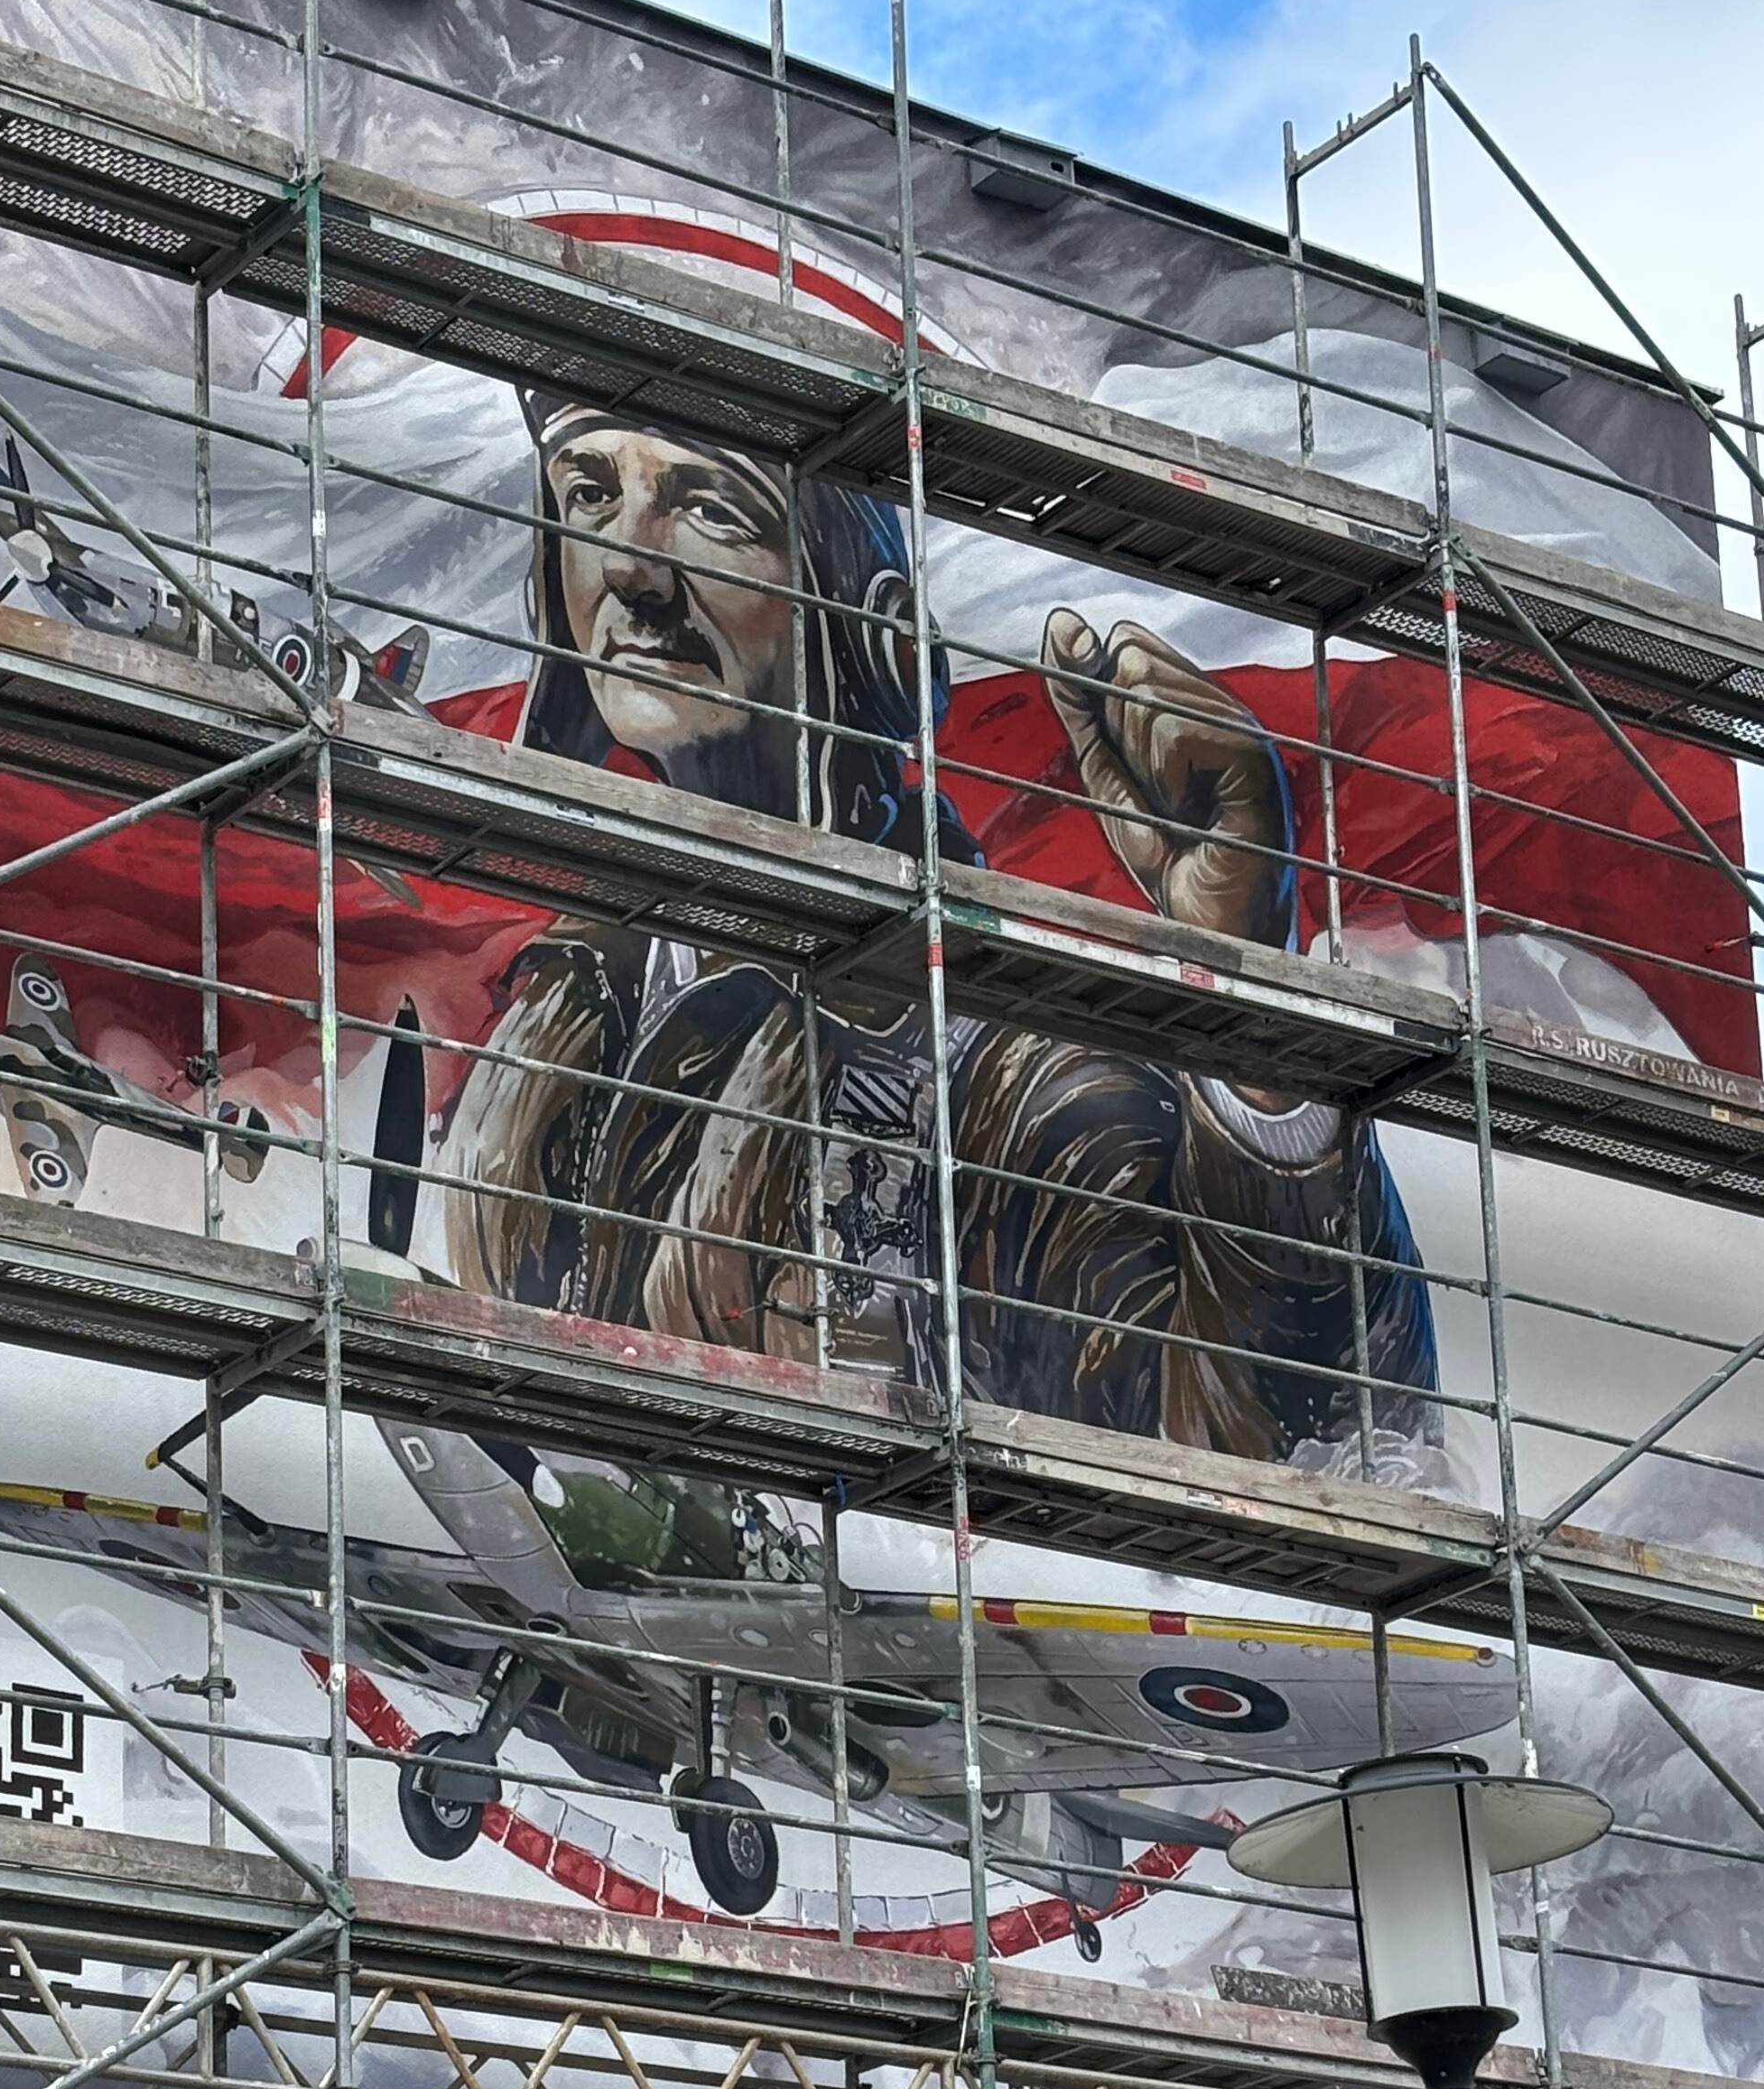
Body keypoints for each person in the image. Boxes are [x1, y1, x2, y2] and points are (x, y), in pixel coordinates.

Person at [440, 393, 1438, 1471]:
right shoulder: (578, 988)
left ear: (866, 627)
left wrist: (1257, 1042)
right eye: (590, 496)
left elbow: (1306, 1448)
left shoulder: (1013, 1067)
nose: (630, 568)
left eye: (713, 511)